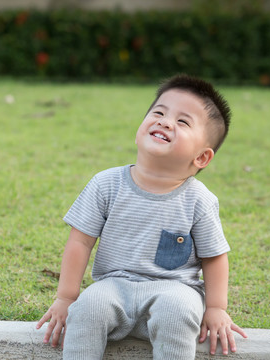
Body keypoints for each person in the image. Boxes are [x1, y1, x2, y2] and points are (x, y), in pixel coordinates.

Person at [36, 74, 247, 359]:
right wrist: (65, 298)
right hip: (113, 284)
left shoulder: (200, 200)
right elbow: (80, 243)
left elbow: (214, 257)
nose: (165, 121)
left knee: (177, 312)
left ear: (202, 158)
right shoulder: (106, 184)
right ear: (139, 130)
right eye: (159, 112)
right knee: (87, 308)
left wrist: (216, 308)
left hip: (175, 288)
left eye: (183, 122)